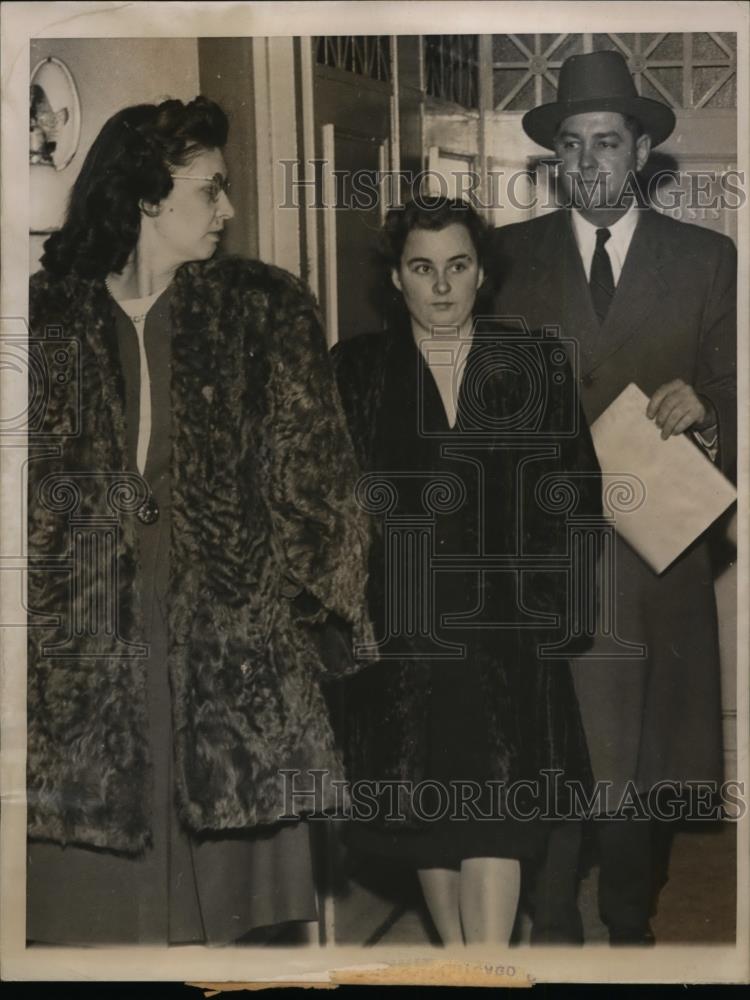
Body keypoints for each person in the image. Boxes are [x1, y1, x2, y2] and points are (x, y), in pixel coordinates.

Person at [26, 96, 372, 945]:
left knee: (226, 902)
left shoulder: (264, 311)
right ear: (148, 195)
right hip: (84, 639)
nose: (226, 209)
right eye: (210, 188)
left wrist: (301, 622)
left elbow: (321, 487)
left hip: (224, 637)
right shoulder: (47, 315)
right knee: (91, 905)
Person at [491, 50, 737, 944]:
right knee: (553, 745)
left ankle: (630, 927)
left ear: (640, 153)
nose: (590, 162)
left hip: (653, 551)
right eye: (572, 144)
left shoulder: (709, 259)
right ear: (556, 157)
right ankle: (552, 924)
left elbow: (735, 380)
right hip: (544, 552)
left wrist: (709, 404)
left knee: (644, 756)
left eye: (607, 142)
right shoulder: (504, 257)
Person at [331, 197, 602, 945]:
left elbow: (576, 489)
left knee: (497, 813)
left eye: (457, 267)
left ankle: (484, 967)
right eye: (423, 268)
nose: (441, 286)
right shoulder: (355, 371)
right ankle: (457, 957)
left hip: (505, 632)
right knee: (431, 815)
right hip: (404, 632)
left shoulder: (537, 362)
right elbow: (334, 506)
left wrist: (557, 609)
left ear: (482, 274)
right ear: (396, 278)